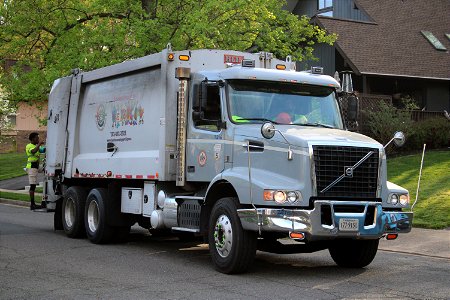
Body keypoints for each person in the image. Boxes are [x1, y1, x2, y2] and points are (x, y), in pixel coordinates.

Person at [26, 132, 45, 210]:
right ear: (33, 139)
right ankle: (32, 204)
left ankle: (43, 201)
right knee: (32, 186)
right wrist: (39, 144)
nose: (38, 139)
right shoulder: (29, 146)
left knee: (47, 171)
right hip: (31, 167)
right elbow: (33, 151)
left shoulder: (36, 146)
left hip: (36, 166)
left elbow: (42, 150)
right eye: (37, 138)